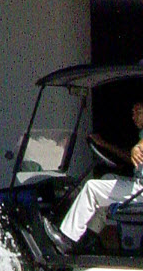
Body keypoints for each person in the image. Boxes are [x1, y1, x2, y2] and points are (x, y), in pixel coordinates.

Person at [47, 101, 143, 251]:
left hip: (140, 191)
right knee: (107, 179)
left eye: (138, 112)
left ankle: (67, 238)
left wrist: (136, 148)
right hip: (138, 186)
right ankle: (90, 237)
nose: (133, 116)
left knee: (92, 188)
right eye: (133, 113)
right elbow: (129, 157)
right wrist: (104, 144)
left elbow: (140, 147)